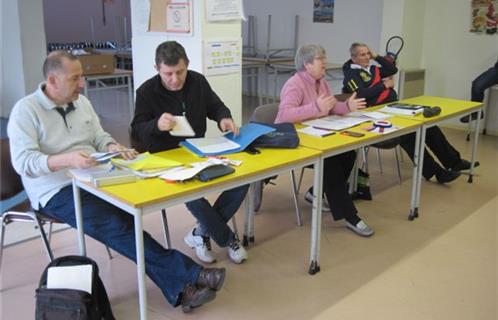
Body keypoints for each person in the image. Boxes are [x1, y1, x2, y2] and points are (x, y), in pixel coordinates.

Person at [7, 51, 225, 313]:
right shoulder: (26, 111)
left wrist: (113, 146)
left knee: (135, 210)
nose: (82, 84)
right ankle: (190, 276)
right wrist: (68, 160)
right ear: (52, 81)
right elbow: (24, 163)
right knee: (117, 226)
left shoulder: (82, 103)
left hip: (96, 177)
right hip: (56, 190)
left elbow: (99, 137)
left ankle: (182, 286)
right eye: (75, 78)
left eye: (82, 77)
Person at [131, 41, 249, 264]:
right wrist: (156, 125)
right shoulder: (146, 92)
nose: (175, 79)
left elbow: (216, 106)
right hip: (166, 158)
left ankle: (200, 233)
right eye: (168, 74)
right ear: (157, 68)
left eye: (180, 72)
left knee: (242, 179)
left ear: (188, 65)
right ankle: (227, 238)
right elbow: (137, 129)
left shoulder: (198, 81)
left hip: (198, 151)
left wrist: (224, 118)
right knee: (192, 193)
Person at [275, 44, 374, 237]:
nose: (325, 62)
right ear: (307, 64)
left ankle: (316, 191)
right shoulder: (295, 84)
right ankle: (350, 216)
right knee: (331, 163)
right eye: (321, 59)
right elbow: (283, 116)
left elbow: (330, 106)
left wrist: (347, 105)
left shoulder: (321, 81)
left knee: (347, 155)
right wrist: (314, 107)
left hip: (319, 136)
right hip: (298, 141)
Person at [343, 42, 477, 184]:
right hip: (374, 114)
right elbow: (362, 94)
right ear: (353, 57)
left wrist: (376, 56)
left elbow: (392, 69)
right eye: (363, 55)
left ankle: (453, 161)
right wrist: (384, 85)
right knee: (409, 135)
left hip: (392, 107)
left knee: (428, 126)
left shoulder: (373, 68)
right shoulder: (351, 73)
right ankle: (436, 172)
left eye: (368, 54)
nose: (367, 57)